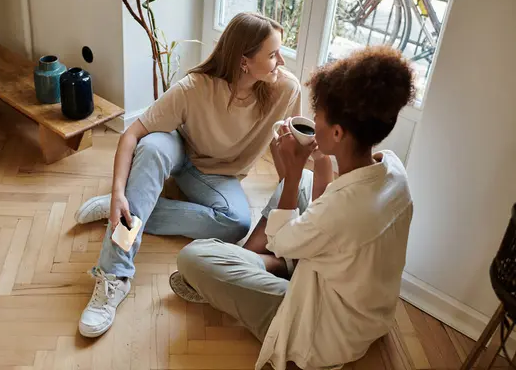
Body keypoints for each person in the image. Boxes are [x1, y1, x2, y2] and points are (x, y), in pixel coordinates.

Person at [169, 46, 415, 370]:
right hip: (367, 308)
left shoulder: (344, 210)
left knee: (192, 259)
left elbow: (291, 234)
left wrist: (293, 168)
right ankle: (265, 266)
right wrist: (313, 163)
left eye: (320, 116)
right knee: (300, 186)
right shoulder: (393, 171)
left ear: (338, 132)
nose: (314, 122)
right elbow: (330, 210)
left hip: (320, 328)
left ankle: (252, 271)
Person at [77, 12, 302, 338]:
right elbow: (131, 134)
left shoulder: (285, 89)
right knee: (152, 148)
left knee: (236, 223)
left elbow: (291, 146)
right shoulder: (194, 88)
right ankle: (115, 274)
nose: (281, 61)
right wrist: (116, 191)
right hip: (178, 148)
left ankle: (136, 205)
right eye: (272, 54)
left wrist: (289, 194)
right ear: (244, 61)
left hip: (218, 174)